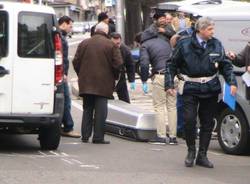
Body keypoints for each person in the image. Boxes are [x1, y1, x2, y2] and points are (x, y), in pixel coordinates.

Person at [165, 17, 237, 168]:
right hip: (190, 87)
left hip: (210, 88)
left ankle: (202, 155)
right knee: (189, 120)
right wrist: (169, 84)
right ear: (201, 30)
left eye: (213, 29)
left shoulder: (216, 44)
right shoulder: (184, 44)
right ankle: (191, 150)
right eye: (210, 29)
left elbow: (225, 65)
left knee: (207, 123)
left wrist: (232, 82)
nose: (213, 32)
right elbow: (171, 64)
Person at [72, 22, 123, 144]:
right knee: (101, 111)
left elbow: (75, 62)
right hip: (103, 83)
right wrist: (114, 76)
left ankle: (85, 135)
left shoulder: (84, 43)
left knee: (87, 108)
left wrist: (81, 74)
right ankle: (98, 137)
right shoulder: (110, 45)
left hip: (86, 82)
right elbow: (118, 64)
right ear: (106, 32)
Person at [140, 12, 177, 145]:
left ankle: (161, 136)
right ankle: (173, 137)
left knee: (160, 107)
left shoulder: (145, 44)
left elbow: (144, 64)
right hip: (174, 76)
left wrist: (144, 79)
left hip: (161, 76)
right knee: (172, 107)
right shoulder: (168, 40)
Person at [58, 16, 81, 138]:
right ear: (64, 24)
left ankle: (64, 125)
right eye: (70, 26)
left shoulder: (58, 35)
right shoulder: (60, 38)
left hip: (59, 73)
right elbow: (63, 59)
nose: (71, 29)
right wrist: (64, 73)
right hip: (61, 74)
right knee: (66, 99)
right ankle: (68, 127)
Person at [110, 32, 136, 103]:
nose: (116, 45)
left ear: (120, 41)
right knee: (107, 99)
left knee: (125, 99)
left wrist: (132, 80)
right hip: (108, 77)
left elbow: (130, 65)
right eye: (114, 43)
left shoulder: (125, 50)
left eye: (118, 43)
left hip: (120, 76)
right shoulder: (106, 49)